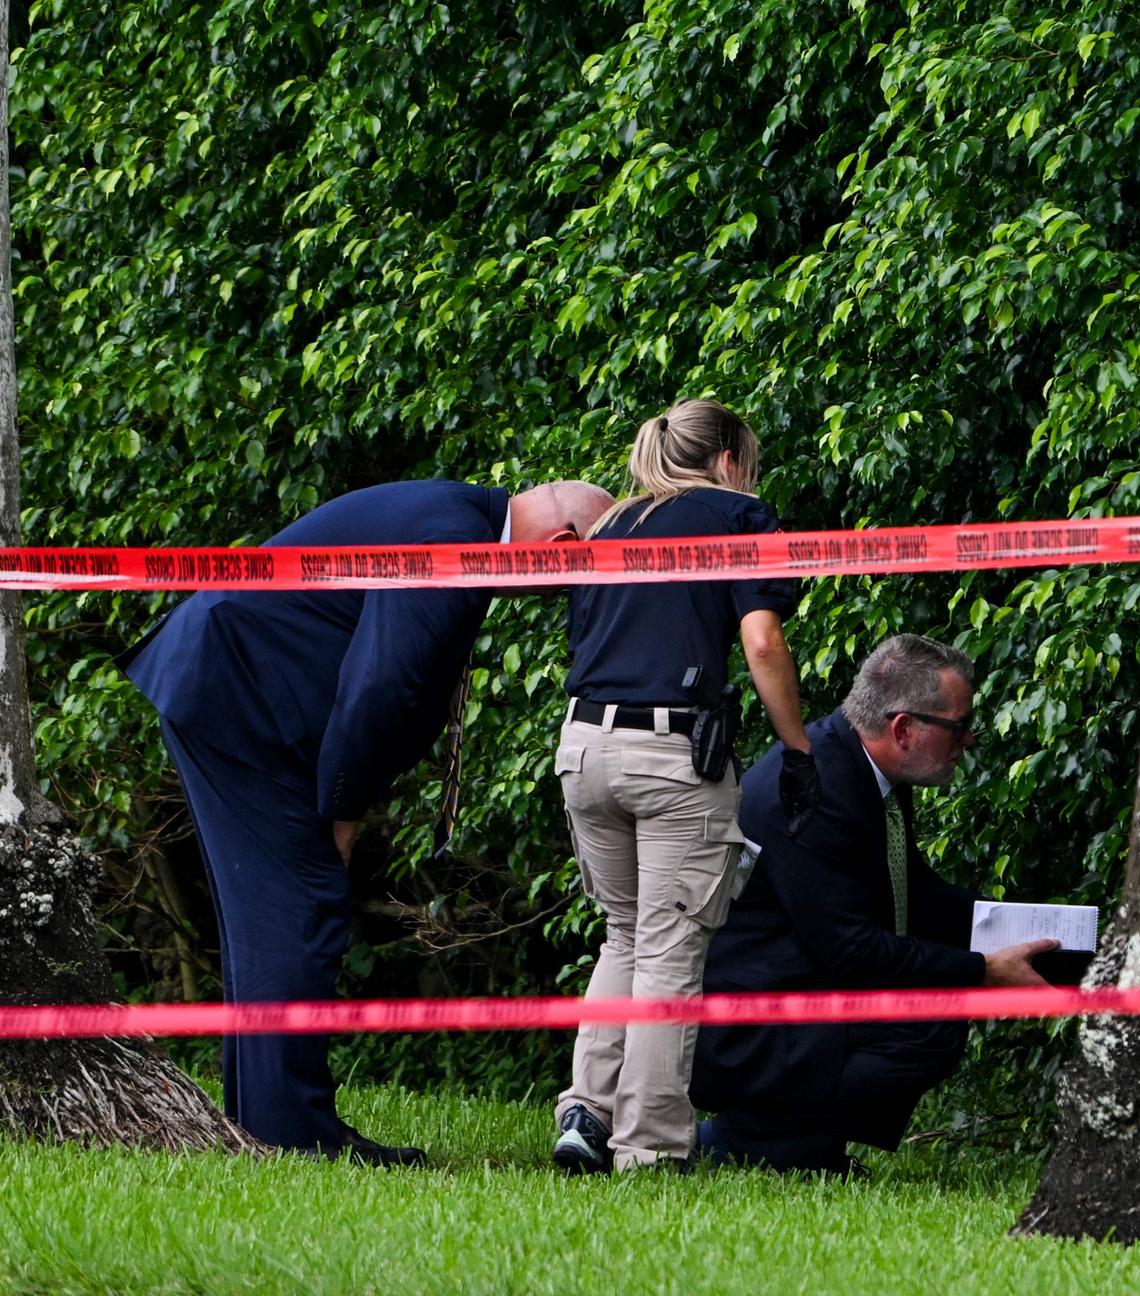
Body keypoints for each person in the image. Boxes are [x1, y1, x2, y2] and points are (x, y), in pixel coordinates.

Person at [119, 477, 613, 1165]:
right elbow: (384, 680)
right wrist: (343, 809)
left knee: (271, 914)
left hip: (239, 691)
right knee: (300, 905)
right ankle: (292, 1138)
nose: (556, 598)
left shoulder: (458, 513)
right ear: (561, 550)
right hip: (240, 699)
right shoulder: (455, 539)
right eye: (572, 581)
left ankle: (265, 1125)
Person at [551, 399, 821, 1174]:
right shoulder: (739, 514)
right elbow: (762, 640)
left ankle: (586, 1116)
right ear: (731, 458)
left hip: (583, 747)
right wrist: (797, 750)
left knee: (625, 934)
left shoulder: (611, 525)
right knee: (670, 948)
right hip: (671, 753)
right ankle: (650, 1150)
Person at [691, 634, 1056, 1175]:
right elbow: (854, 953)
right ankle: (757, 1139)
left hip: (799, 990)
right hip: (747, 1027)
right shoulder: (819, 791)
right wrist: (982, 972)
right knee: (930, 1022)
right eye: (957, 727)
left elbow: (916, 894)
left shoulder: (866, 765)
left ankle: (794, 1142)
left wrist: (1051, 933)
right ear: (904, 729)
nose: (969, 740)